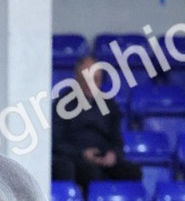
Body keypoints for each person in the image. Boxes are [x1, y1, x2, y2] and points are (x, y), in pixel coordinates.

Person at [51, 55, 142, 192]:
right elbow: (57, 142)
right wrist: (82, 153)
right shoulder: (62, 104)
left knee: (133, 172)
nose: (91, 84)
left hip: (104, 158)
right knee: (89, 172)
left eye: (96, 79)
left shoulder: (109, 105)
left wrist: (113, 155)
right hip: (77, 158)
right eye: (86, 80)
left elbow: (117, 140)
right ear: (77, 78)